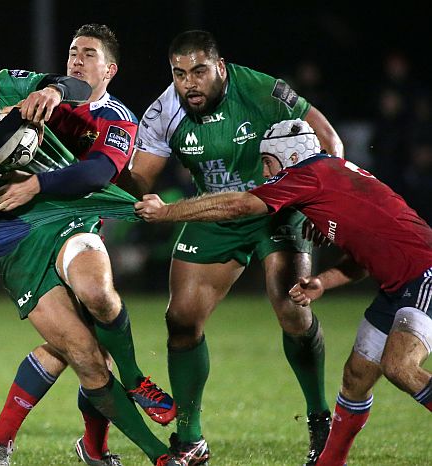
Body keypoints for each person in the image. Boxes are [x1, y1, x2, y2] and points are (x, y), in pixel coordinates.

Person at [0, 29, 182, 466]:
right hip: (13, 243)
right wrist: (17, 116)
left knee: (97, 295)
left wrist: (47, 90)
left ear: (111, 68)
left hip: (71, 219)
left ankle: (147, 418)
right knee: (82, 354)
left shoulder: (114, 116)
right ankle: (50, 446)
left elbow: (92, 165)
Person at [134, 118, 432, 466]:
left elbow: (239, 205)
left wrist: (168, 211)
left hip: (424, 274)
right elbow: (367, 256)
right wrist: (323, 282)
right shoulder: (330, 180)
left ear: (289, 157)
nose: (264, 172)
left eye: (267, 163)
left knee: (399, 366)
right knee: (355, 378)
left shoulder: (308, 174)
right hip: (396, 288)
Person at [124, 30, 344, 466]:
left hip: (277, 210)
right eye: (180, 73)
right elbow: (137, 181)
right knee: (181, 320)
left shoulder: (261, 90)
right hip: (216, 214)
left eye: (199, 71)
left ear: (220, 67)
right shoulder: (163, 111)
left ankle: (321, 416)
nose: (190, 83)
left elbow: (329, 140)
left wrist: (327, 203)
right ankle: (190, 439)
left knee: (292, 309)